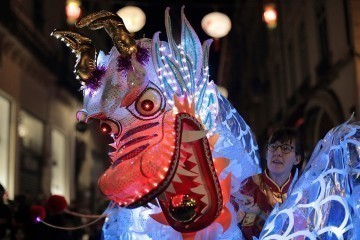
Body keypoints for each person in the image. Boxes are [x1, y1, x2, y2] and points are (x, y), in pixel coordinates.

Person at [232, 127, 304, 240]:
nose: (277, 153)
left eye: (285, 148)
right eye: (273, 146)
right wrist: (241, 213)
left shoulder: (302, 193)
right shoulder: (246, 186)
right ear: (266, 154)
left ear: (297, 159)